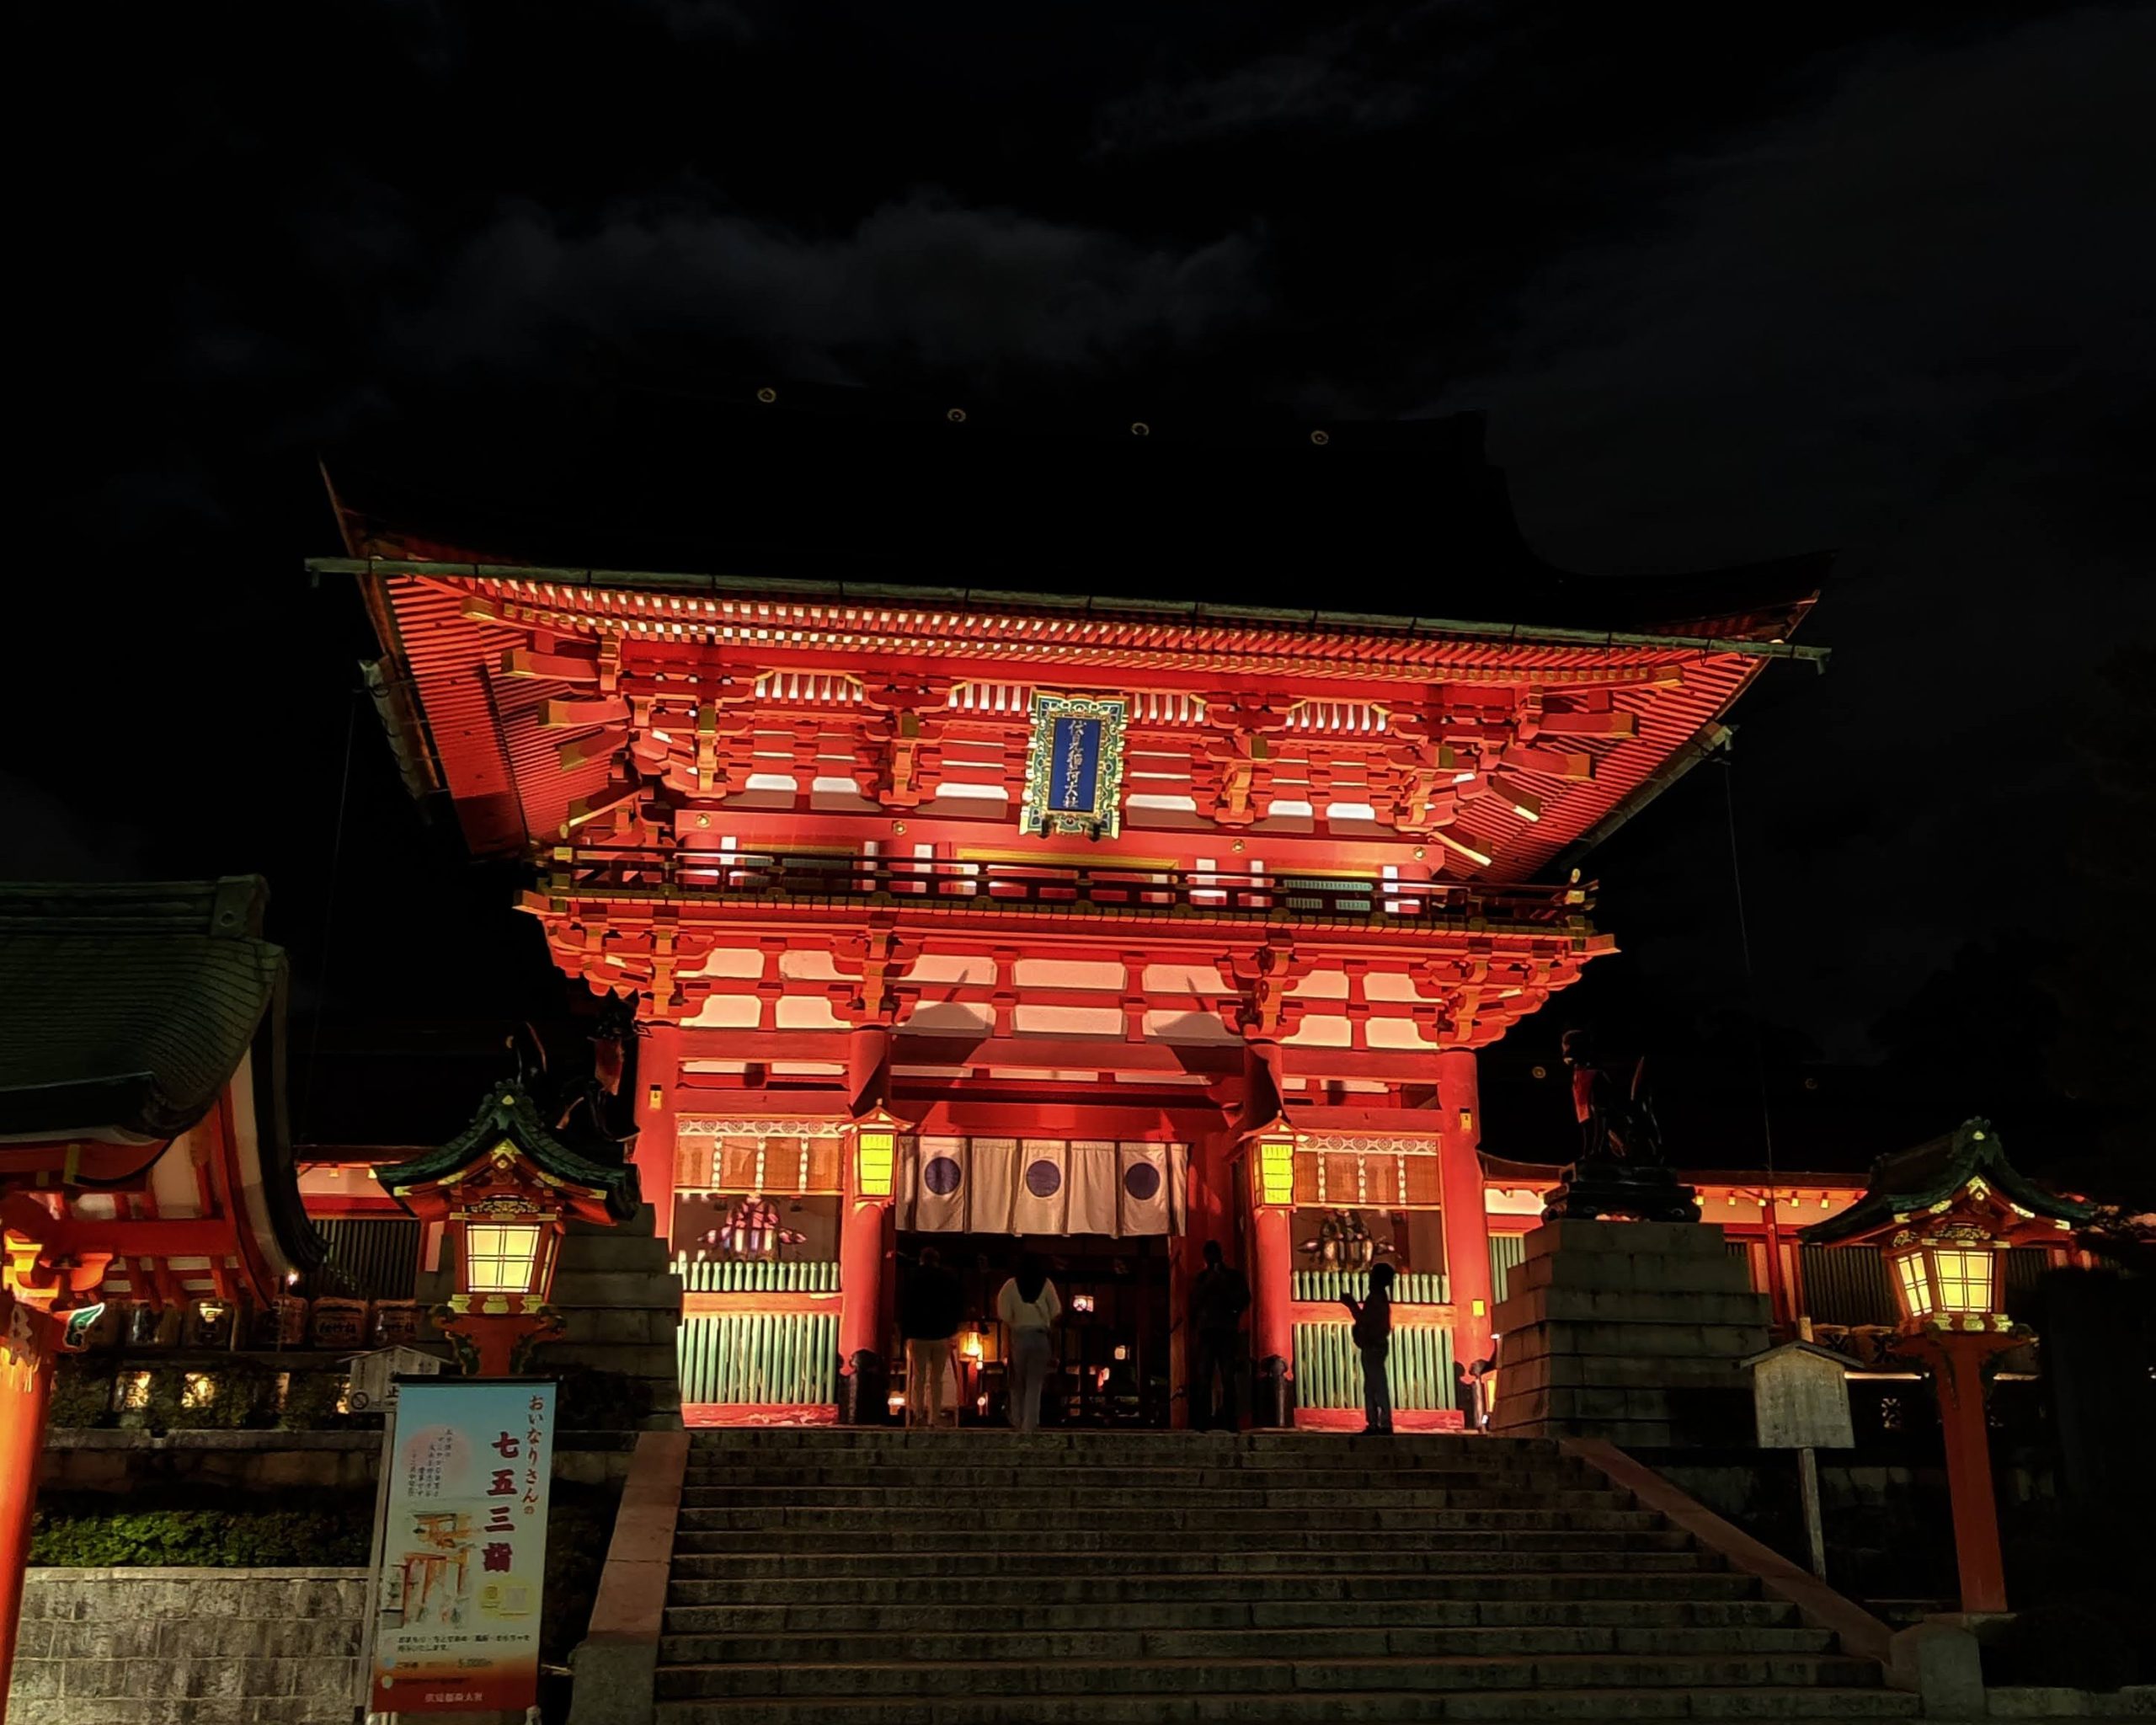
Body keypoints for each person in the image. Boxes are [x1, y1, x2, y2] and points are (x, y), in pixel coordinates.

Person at [899, 1247, 965, 1429]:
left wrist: (905, 1333)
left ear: (921, 1259)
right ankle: (934, 1417)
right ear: (937, 1260)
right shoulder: (948, 1279)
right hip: (941, 1334)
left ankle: (918, 1414)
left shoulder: (912, 1278)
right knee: (937, 1378)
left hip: (918, 1333)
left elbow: (905, 1306)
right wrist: (952, 1329)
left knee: (918, 1377)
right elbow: (957, 1304)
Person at [1188, 1240, 1251, 1431]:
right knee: (1204, 1377)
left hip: (1225, 1330)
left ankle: (1231, 1420)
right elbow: (1195, 1302)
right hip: (1208, 1331)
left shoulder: (1232, 1277)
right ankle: (1202, 1420)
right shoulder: (1202, 1279)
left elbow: (1244, 1299)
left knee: (1227, 1377)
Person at [995, 1252, 1061, 1430]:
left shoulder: (1010, 1285)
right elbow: (1056, 1311)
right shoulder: (1046, 1284)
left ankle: (1017, 1419)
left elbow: (1004, 1314)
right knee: (1035, 1383)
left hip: (1019, 1336)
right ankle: (1030, 1424)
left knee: (1018, 1382)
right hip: (1040, 1337)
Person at [1341, 1260, 1395, 1434]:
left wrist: (1352, 1306)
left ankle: (1382, 1422)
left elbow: (1366, 1320)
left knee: (1376, 1384)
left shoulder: (1376, 1299)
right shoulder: (1379, 1298)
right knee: (1373, 1384)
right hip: (1376, 1344)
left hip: (1373, 1344)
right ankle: (1376, 1422)